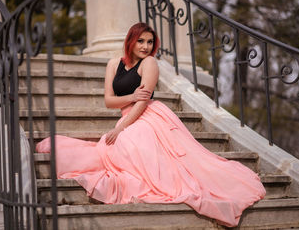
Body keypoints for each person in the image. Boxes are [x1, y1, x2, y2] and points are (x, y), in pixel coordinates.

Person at [36, 22, 266, 227]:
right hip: (129, 113)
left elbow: (143, 101)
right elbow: (109, 101)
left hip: (148, 115)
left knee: (127, 141)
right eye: (141, 41)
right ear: (130, 40)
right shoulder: (113, 64)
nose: (146, 46)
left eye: (150, 42)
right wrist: (130, 98)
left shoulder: (150, 63)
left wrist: (122, 126)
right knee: (110, 147)